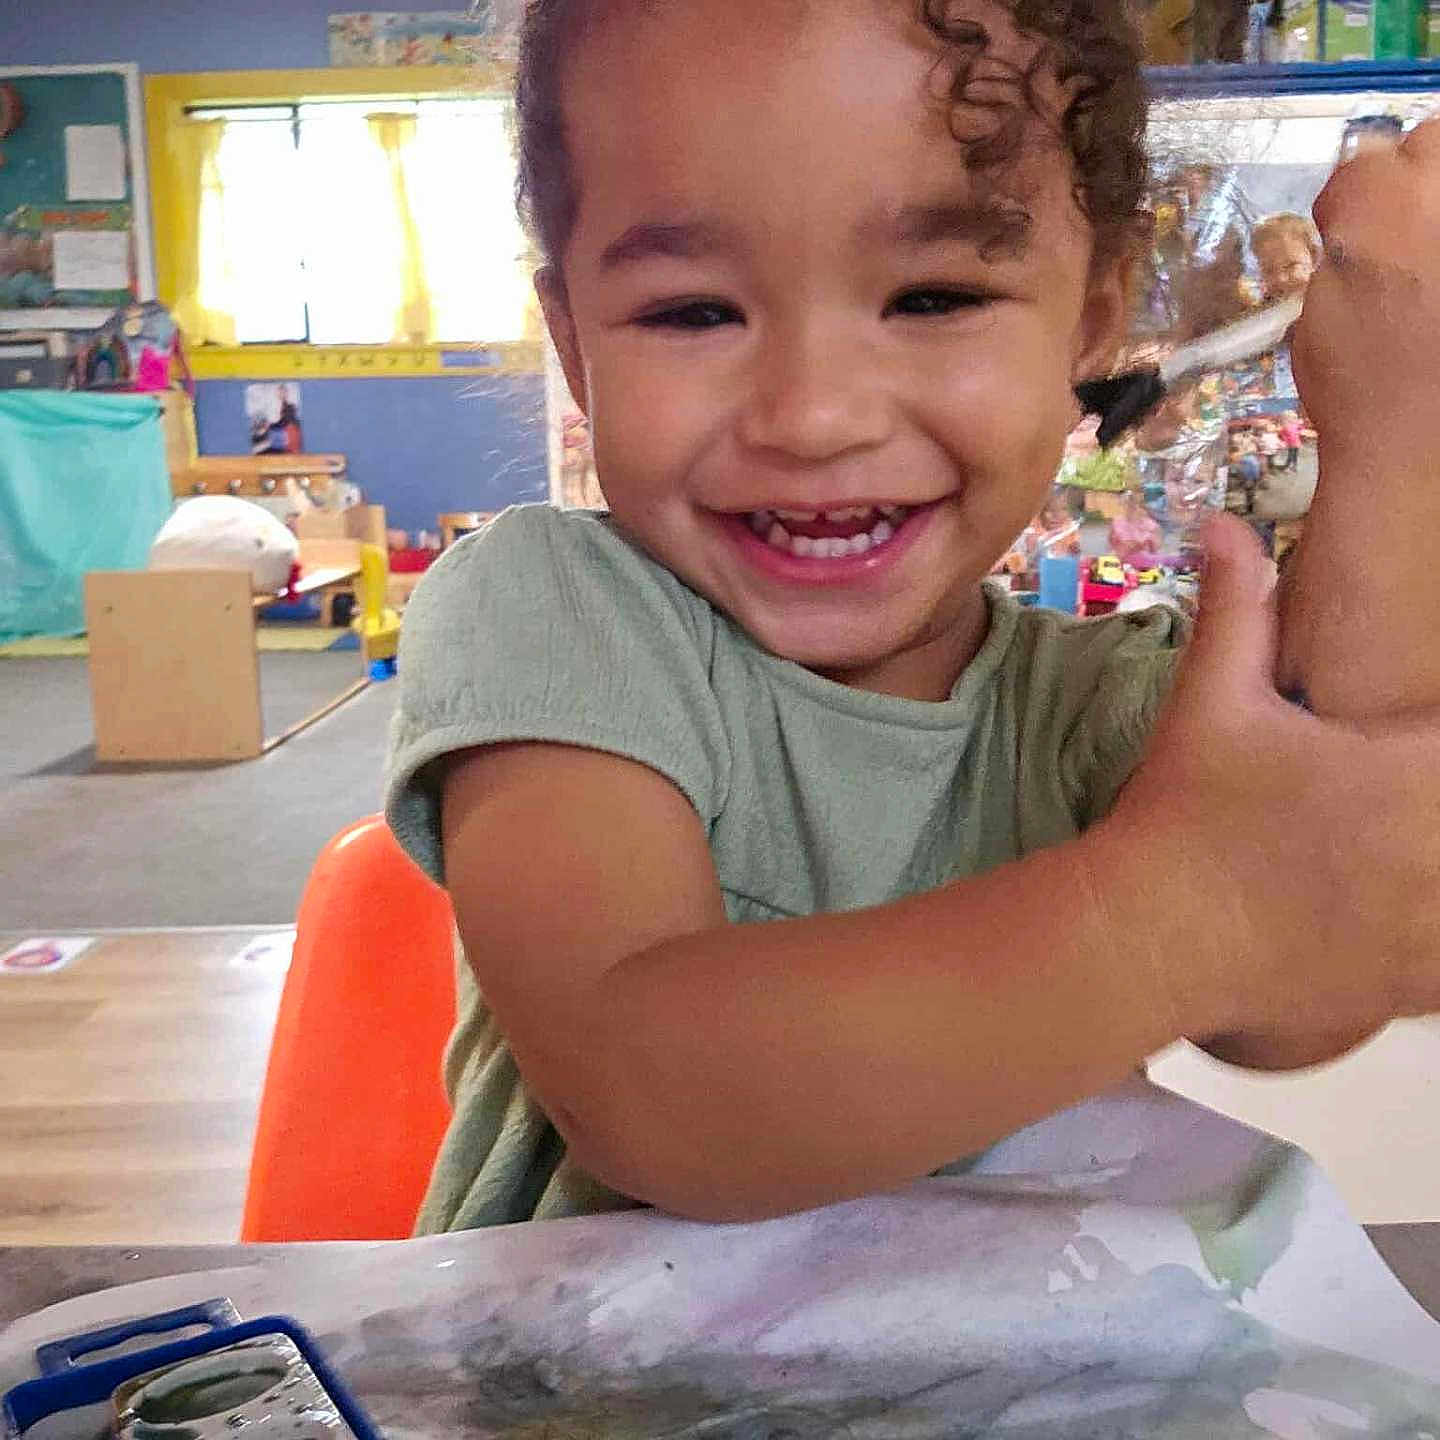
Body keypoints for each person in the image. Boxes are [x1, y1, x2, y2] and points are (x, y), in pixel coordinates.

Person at [385, 0, 1440, 1231]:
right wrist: (1186, 917)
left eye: (933, 299)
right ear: (573, 342)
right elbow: (657, 1096)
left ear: (1095, 317)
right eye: (693, 312)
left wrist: (1403, 438)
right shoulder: (554, 612)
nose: (813, 416)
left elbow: (1315, 967)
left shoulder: (1089, 700)